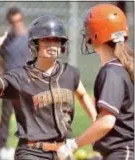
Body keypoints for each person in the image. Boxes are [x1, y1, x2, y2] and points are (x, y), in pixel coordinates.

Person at [0, 15, 97, 160]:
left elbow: (81, 94)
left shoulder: (70, 73)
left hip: (63, 151)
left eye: (56, 40)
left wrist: (96, 120)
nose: (52, 44)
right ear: (35, 44)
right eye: (46, 40)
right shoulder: (21, 76)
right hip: (31, 152)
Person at [57, 4, 134, 160]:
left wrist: (73, 145)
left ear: (97, 34)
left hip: (122, 153)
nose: (86, 35)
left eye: (89, 30)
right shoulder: (121, 68)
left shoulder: (111, 72)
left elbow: (107, 122)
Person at [0, 7, 31, 160]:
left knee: (29, 117)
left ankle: (30, 149)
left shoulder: (30, 38)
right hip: (9, 84)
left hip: (28, 83)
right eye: (13, 22)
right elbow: (0, 60)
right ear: (9, 22)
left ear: (22, 20)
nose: (16, 24)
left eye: (19, 21)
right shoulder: (6, 40)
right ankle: (0, 149)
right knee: (5, 118)